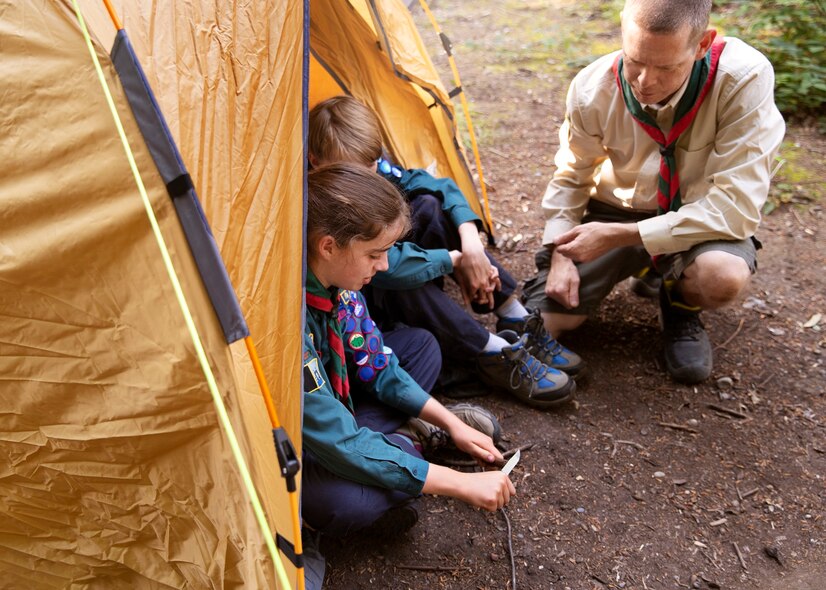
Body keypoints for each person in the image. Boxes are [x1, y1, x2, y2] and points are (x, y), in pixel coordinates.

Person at [522, 0, 785, 384]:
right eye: (635, 60)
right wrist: (559, 252)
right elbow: (571, 177)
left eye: (666, 67)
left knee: (721, 275)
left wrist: (627, 236)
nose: (645, 81)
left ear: (702, 45)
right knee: (552, 317)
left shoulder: (742, 79)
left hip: (699, 216)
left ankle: (678, 301)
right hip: (616, 209)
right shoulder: (591, 88)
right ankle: (649, 265)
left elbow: (736, 207)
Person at [301, 163, 516, 587]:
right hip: (308, 438)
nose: (384, 266)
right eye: (375, 254)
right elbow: (334, 438)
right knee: (349, 503)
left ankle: (407, 443)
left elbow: (378, 363)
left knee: (421, 349)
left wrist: (452, 423)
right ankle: (406, 445)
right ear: (328, 246)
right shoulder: (288, 318)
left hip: (336, 411)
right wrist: (457, 484)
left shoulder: (339, 288)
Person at [308, 95, 582, 408]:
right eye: (356, 171)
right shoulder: (318, 198)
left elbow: (437, 185)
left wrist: (471, 241)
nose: (368, 180)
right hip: (359, 295)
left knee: (429, 206)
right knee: (396, 275)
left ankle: (513, 314)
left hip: (383, 266)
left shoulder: (368, 169)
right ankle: (492, 353)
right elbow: (393, 265)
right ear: (316, 161)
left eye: (372, 168)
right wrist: (452, 259)